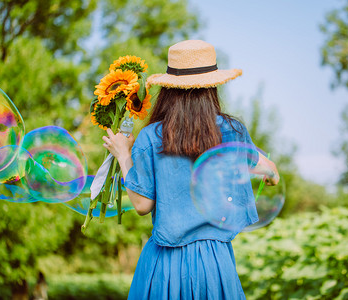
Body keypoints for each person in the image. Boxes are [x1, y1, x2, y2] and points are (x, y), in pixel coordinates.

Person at [102, 40, 279, 300]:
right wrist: (270, 174)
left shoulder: (152, 137)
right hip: (215, 263)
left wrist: (123, 155)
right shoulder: (232, 131)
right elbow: (269, 171)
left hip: (166, 264)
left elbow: (141, 205)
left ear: (169, 89)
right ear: (212, 88)